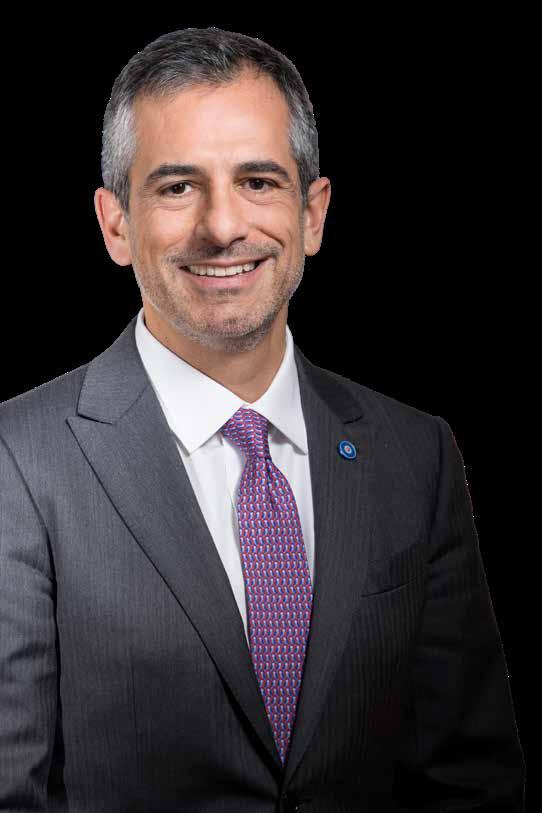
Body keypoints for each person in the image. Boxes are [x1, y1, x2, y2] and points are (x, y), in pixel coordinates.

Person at [0, 27, 525, 813]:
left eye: (257, 180)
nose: (222, 226)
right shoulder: (17, 459)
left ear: (312, 214)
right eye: (178, 187)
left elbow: (471, 782)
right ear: (116, 224)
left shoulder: (417, 455)